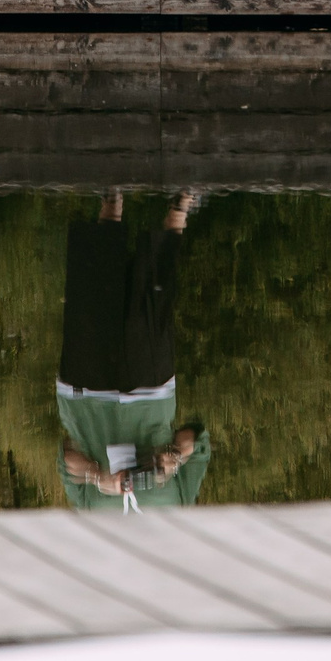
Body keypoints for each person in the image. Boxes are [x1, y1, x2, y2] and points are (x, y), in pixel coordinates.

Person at [57, 190, 211, 509]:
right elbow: (194, 440)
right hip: (151, 397)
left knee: (93, 295)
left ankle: (111, 202)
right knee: (154, 303)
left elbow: (66, 457)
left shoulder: (91, 521)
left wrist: (97, 478)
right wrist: (173, 459)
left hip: (85, 396)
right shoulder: (180, 508)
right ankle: (180, 207)